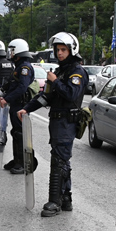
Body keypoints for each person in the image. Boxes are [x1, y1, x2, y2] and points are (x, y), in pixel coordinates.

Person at [18, 33, 88, 216]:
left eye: (63, 49)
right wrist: (27, 108)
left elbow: (71, 95)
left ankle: (54, 202)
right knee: (62, 160)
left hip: (67, 122)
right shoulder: (60, 71)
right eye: (58, 50)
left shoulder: (76, 72)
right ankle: (66, 199)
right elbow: (45, 97)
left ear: (72, 50)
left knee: (59, 161)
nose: (60, 53)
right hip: (57, 122)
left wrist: (55, 82)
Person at [0, 39, 35, 174]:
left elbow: (22, 88)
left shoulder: (25, 68)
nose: (10, 53)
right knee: (15, 132)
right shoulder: (18, 66)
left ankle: (24, 163)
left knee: (20, 133)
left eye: (12, 50)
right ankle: (17, 159)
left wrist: (7, 99)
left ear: (18, 51)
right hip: (15, 104)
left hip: (21, 104)